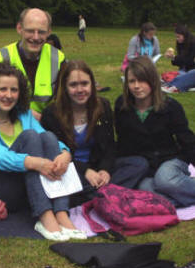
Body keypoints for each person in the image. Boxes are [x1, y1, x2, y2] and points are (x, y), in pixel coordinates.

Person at [0, 62, 86, 241]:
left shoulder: (22, 114)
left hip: (26, 182)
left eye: (14, 90)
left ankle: (62, 212)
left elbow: (47, 139)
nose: (9, 95)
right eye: (3, 89)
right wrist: (34, 162)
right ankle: (45, 215)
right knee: (30, 137)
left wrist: (65, 153)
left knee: (47, 136)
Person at [41, 60, 148, 206]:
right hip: (70, 170)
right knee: (55, 183)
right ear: (64, 87)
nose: (80, 90)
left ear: (92, 84)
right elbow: (52, 154)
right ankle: (105, 195)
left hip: (97, 166)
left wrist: (105, 170)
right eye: (73, 85)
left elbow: (110, 146)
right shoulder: (51, 114)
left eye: (84, 84)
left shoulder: (102, 106)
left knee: (139, 164)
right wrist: (86, 171)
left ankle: (93, 196)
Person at [115, 56, 195, 207]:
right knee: (145, 190)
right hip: (147, 167)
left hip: (171, 159)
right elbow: (123, 140)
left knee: (165, 179)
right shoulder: (122, 105)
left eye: (142, 80)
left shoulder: (170, 107)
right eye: (132, 81)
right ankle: (178, 199)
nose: (137, 86)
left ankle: (178, 191)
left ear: (152, 81)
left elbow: (187, 139)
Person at [0, 8, 65, 121]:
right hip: (7, 122)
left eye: (41, 32)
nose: (36, 37)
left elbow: (64, 102)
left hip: (45, 124)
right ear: (19, 28)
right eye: (30, 31)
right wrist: (26, 114)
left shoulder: (58, 59)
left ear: (49, 32)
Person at [162, 25, 195, 93]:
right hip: (184, 70)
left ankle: (172, 86)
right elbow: (180, 62)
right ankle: (170, 85)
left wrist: (174, 57)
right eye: (176, 36)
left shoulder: (193, 43)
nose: (177, 38)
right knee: (175, 75)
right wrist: (172, 58)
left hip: (191, 70)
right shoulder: (181, 43)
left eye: (178, 36)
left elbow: (189, 61)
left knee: (187, 75)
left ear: (185, 35)